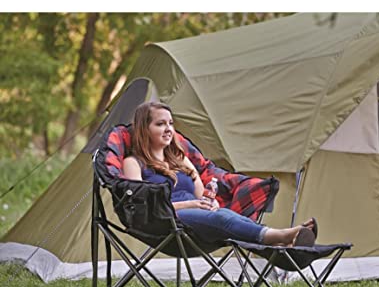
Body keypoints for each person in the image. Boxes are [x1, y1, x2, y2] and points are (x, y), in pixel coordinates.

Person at [123, 102, 317, 247]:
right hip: (165, 219)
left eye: (171, 124)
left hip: (195, 214)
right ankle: (283, 236)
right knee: (223, 220)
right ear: (144, 129)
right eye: (160, 124)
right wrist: (191, 204)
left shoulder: (179, 157)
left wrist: (211, 202)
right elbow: (143, 207)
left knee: (227, 214)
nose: (168, 130)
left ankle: (281, 243)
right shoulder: (133, 163)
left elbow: (200, 194)